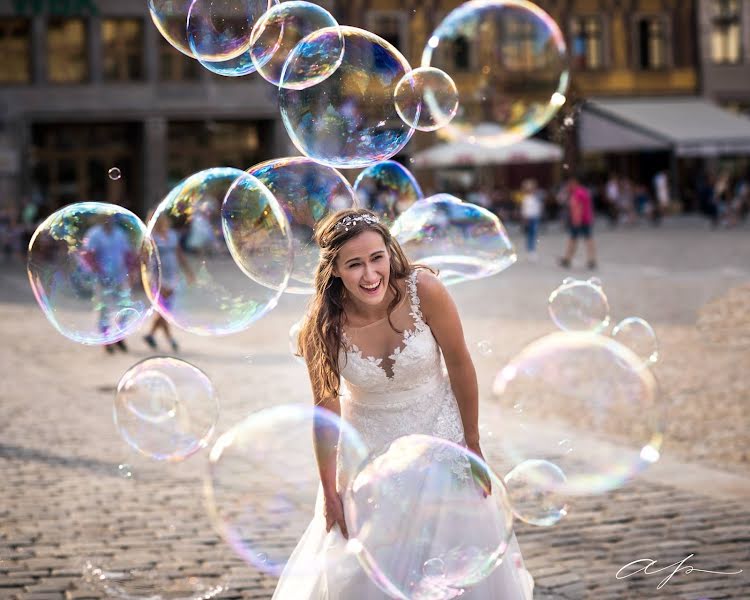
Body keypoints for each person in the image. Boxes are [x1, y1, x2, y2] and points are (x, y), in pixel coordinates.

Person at [273, 208, 534, 599]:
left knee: (457, 561)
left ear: (390, 253)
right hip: (369, 455)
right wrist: (329, 493)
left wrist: (473, 444)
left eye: (377, 258)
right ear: (336, 271)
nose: (370, 274)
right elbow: (325, 411)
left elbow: (460, 363)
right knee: (373, 568)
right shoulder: (321, 327)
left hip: (441, 435)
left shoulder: (423, 290)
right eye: (355, 264)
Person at [82, 217, 135, 353]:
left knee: (126, 307)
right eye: (105, 217)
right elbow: (87, 255)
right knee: (104, 309)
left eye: (110, 217)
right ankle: (106, 339)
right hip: (102, 278)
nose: (109, 220)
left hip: (120, 276)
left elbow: (127, 253)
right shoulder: (94, 233)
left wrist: (131, 271)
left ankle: (119, 336)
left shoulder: (120, 233)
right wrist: (97, 269)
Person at [143, 213, 194, 352]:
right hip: (158, 278)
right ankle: (169, 339)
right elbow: (145, 259)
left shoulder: (172, 234)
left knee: (164, 310)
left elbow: (179, 254)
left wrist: (188, 272)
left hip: (172, 276)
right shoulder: (150, 237)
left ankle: (152, 335)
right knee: (164, 310)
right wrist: (146, 278)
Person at [559, 176, 597, 270]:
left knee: (573, 240)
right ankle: (591, 259)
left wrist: (576, 220)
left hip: (579, 220)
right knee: (588, 239)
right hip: (586, 219)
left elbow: (577, 207)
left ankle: (567, 259)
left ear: (574, 182)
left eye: (569, 183)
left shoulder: (577, 193)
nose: (568, 186)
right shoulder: (584, 191)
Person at [520, 179, 542, 261]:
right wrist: (525, 219)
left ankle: (532, 250)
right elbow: (525, 210)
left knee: (534, 235)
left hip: (535, 218)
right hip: (529, 218)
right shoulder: (526, 198)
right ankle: (530, 251)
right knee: (530, 235)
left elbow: (537, 208)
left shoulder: (535, 197)